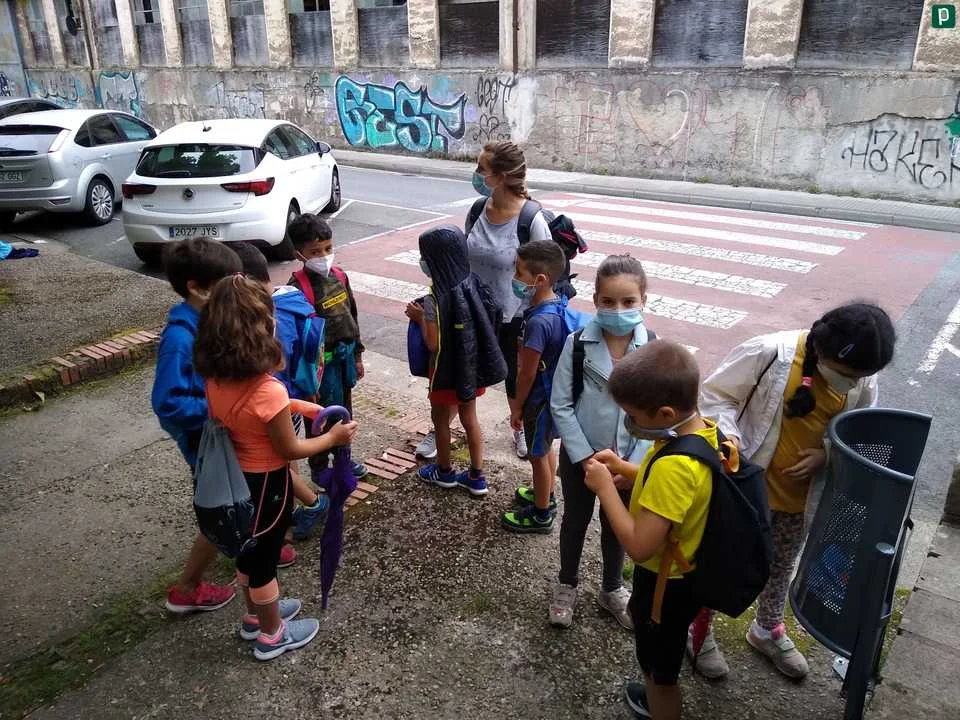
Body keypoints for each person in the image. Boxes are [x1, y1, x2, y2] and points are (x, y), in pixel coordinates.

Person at [691, 302, 896, 680]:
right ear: (822, 350)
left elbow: (858, 429)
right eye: (847, 375)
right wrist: (730, 438)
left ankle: (767, 628)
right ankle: (700, 631)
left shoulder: (862, 378)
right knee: (723, 562)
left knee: (782, 564)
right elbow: (716, 396)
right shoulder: (771, 353)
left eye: (860, 377)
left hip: (798, 500)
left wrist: (826, 454)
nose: (852, 383)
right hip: (748, 492)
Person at [194, 274, 358, 661]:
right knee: (264, 561)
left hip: (237, 478)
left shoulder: (216, 377)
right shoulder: (269, 389)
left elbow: (256, 413)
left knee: (248, 553)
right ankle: (272, 635)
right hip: (268, 484)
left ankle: (256, 616)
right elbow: (290, 448)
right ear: (264, 329)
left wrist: (300, 406)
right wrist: (333, 439)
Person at [584, 340, 714, 720]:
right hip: (685, 574)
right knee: (660, 663)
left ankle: (659, 706)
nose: (630, 422)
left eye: (633, 415)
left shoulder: (675, 466)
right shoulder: (698, 434)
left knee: (661, 675)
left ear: (666, 413)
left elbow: (639, 546)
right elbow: (674, 490)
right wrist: (625, 469)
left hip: (664, 587)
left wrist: (605, 489)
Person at [417, 141, 551, 462]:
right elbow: (460, 259)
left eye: (481, 169)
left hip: (512, 317)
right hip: (470, 312)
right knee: (458, 371)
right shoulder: (478, 209)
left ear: (501, 176)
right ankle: (441, 427)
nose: (476, 174)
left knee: (513, 377)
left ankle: (519, 426)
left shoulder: (531, 220)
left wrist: (533, 321)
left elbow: (545, 276)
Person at [547, 255, 655, 629]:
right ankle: (566, 583)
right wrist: (585, 457)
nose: (618, 310)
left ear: (643, 301)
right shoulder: (578, 343)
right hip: (581, 458)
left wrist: (631, 465)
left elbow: (657, 414)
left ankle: (612, 588)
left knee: (618, 525)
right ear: (595, 300)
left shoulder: (653, 350)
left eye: (628, 301)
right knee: (574, 521)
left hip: (627, 462)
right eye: (608, 301)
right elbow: (561, 403)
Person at [152, 237, 242, 614]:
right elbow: (167, 403)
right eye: (227, 282)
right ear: (196, 287)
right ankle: (186, 588)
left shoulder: (208, 319)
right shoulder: (179, 338)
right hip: (205, 442)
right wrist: (221, 408)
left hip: (222, 431)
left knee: (237, 500)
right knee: (219, 512)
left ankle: (251, 551)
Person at [233, 242, 330, 542]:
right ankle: (291, 512)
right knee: (285, 460)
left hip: (273, 403)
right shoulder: (293, 301)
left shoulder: (259, 320)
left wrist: (332, 438)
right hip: (294, 395)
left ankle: (305, 508)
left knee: (277, 462)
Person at [405, 225, 506, 495]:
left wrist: (419, 318)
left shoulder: (434, 298)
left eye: (424, 256)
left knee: (440, 421)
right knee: (470, 418)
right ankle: (477, 476)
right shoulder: (473, 283)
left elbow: (433, 343)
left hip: (445, 373)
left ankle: (444, 471)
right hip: (470, 368)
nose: (422, 262)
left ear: (435, 260)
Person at [287, 214, 368, 480]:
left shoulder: (340, 277)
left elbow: (352, 316)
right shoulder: (297, 288)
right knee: (318, 417)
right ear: (299, 254)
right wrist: (307, 383)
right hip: (320, 370)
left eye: (328, 248)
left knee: (345, 412)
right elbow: (297, 339)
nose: (323, 255)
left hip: (345, 361)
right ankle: (319, 466)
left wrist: (357, 356)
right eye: (315, 251)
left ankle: (344, 458)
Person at [501, 241, 567, 534]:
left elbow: (526, 373)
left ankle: (541, 515)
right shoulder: (557, 305)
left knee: (536, 455)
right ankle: (546, 494)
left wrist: (517, 406)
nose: (515, 278)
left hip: (538, 398)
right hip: (553, 393)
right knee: (546, 446)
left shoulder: (539, 322)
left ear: (540, 280)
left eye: (519, 273)